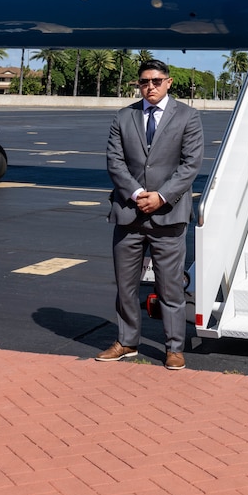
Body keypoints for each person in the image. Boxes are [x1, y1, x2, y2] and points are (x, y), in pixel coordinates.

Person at [97, 59, 204, 370]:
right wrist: (135, 194)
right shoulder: (123, 117)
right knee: (125, 285)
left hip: (169, 215)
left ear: (169, 82)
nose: (150, 86)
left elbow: (190, 165)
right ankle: (127, 342)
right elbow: (114, 162)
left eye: (157, 81)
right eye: (144, 81)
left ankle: (174, 348)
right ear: (138, 84)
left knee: (170, 287)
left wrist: (161, 197)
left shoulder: (188, 117)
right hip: (129, 213)